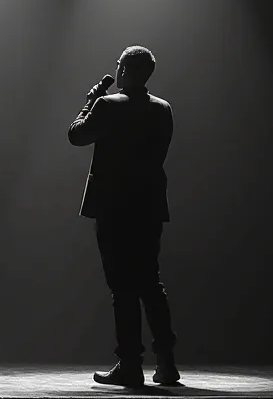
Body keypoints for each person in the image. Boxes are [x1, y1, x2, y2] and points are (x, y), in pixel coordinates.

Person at [67, 45, 181, 387]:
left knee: (123, 286)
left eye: (118, 65)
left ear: (124, 71)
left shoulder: (107, 105)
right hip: (148, 207)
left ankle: (130, 364)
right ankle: (167, 362)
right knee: (150, 283)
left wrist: (89, 101)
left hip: (115, 208)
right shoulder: (163, 109)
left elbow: (76, 135)